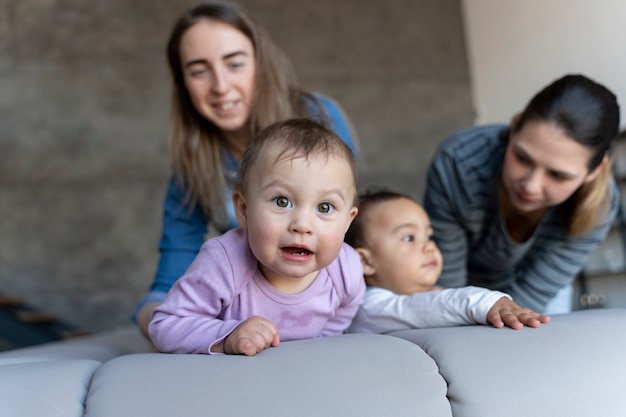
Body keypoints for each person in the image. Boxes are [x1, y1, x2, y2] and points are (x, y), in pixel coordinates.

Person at [134, 1, 358, 336]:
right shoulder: (194, 164)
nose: (220, 86)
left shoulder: (320, 116)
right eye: (198, 70)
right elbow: (173, 276)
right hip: (247, 313)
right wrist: (161, 321)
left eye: (234, 63)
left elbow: (342, 228)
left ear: (260, 64)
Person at [148, 119, 364, 355]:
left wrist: (323, 342)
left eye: (324, 207)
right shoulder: (224, 262)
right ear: (244, 210)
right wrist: (229, 335)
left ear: (347, 221)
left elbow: (344, 311)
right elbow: (165, 326)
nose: (302, 225)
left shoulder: (346, 269)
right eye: (282, 201)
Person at [424, 74, 621, 314]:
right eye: (522, 158)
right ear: (514, 127)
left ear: (594, 170)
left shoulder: (600, 202)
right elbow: (448, 291)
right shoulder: (458, 162)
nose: (531, 186)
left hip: (537, 293)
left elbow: (528, 303)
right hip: (465, 290)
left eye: (558, 175)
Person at [344, 189, 549, 333]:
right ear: (365, 262)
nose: (429, 247)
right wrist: (485, 302)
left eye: (429, 236)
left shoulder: (434, 294)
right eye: (409, 238)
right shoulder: (369, 307)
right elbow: (426, 308)